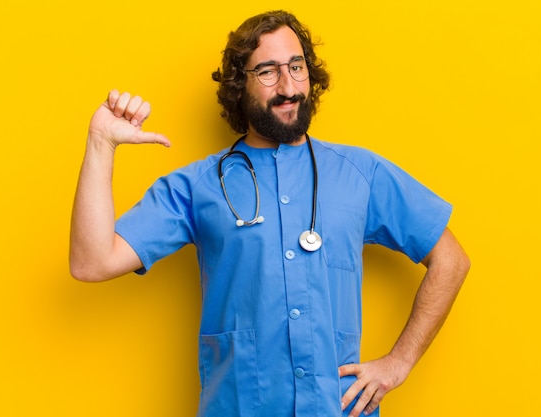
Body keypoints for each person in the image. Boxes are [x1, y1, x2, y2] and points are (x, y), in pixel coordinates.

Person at [69, 10, 470, 417]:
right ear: (238, 84)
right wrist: (101, 143)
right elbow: (91, 261)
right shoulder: (198, 186)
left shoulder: (361, 174)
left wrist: (398, 363)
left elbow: (452, 260)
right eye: (267, 71)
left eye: (297, 67)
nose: (288, 86)